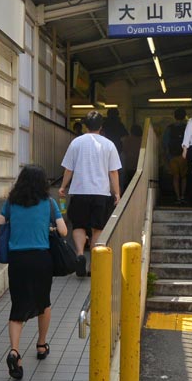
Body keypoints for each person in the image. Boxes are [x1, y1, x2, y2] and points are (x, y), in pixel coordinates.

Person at [0, 165, 68, 380]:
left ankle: (15, 353)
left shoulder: (11, 203)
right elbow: (63, 231)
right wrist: (49, 228)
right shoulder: (49, 203)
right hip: (41, 259)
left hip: (18, 260)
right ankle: (41, 345)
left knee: (18, 307)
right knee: (43, 303)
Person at [59, 110, 122, 277]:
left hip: (79, 191)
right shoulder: (109, 145)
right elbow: (114, 172)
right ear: (101, 126)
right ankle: (93, 264)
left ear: (85, 126)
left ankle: (80, 254)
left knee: (78, 225)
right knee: (97, 229)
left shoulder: (76, 143)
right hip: (101, 193)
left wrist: (63, 186)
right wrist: (117, 193)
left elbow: (68, 168)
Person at [162, 108, 188, 205]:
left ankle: (177, 197)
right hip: (184, 156)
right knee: (184, 177)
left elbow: (165, 143)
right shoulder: (187, 127)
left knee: (175, 177)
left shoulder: (169, 128)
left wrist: (166, 156)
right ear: (184, 116)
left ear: (174, 116)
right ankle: (183, 196)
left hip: (172, 156)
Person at [120, 124, 143, 193]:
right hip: (139, 164)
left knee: (128, 183)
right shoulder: (143, 141)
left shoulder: (126, 140)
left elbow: (124, 150)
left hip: (128, 165)